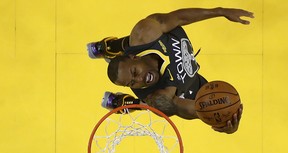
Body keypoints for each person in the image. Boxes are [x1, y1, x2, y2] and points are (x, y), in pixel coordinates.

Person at [87, 7, 254, 134]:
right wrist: (222, 120)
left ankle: (109, 47)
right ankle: (130, 103)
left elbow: (180, 17)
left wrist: (220, 11)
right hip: (184, 90)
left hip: (142, 44)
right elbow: (193, 109)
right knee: (154, 106)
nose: (139, 81)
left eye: (135, 73)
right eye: (132, 83)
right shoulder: (160, 94)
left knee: (134, 41)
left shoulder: (146, 32)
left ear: (134, 58)